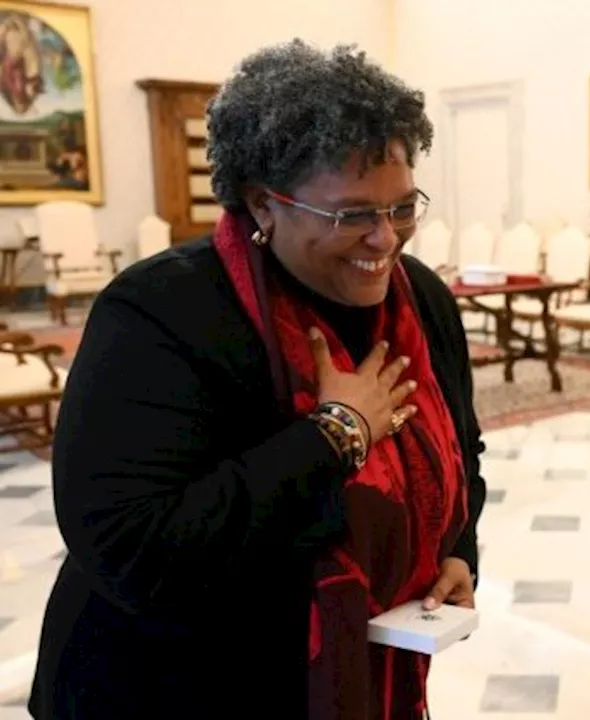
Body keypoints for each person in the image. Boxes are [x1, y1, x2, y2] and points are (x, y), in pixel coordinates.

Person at [29, 40, 486, 719]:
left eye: (402, 208)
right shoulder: (161, 312)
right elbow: (130, 545)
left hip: (358, 671)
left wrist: (457, 550)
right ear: (262, 204)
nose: (386, 239)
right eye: (352, 214)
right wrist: (335, 434)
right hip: (174, 684)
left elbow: (463, 454)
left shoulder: (419, 300)